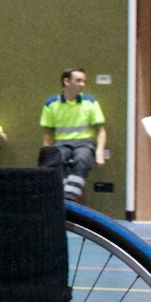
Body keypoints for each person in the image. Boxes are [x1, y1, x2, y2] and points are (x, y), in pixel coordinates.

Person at [38, 69, 107, 202]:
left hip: (84, 142)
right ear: (66, 81)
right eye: (78, 80)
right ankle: (64, 194)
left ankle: (69, 197)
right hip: (61, 143)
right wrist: (46, 154)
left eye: (84, 81)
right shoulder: (51, 103)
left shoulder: (90, 102)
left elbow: (101, 130)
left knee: (82, 159)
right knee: (57, 160)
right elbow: (48, 134)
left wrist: (100, 153)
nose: (82, 84)